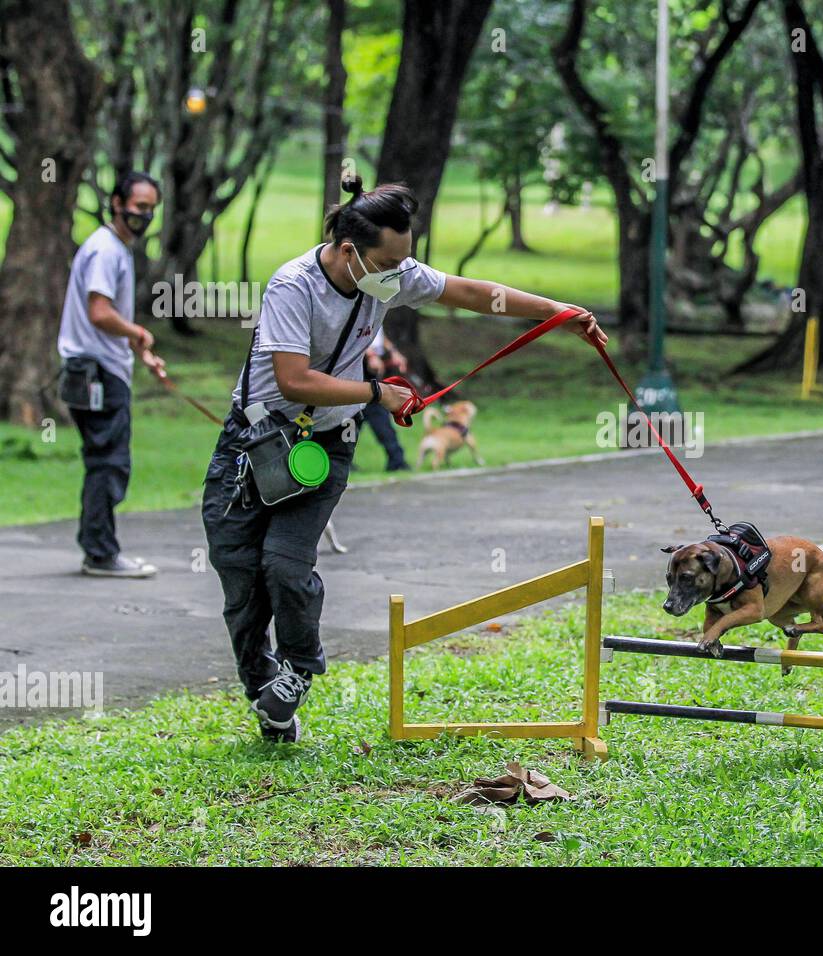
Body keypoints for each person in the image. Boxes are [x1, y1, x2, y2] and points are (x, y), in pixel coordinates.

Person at [201, 176, 606, 743]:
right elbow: (293, 379)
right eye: (390, 262)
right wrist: (375, 394)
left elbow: (470, 293)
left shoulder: (388, 273)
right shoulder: (292, 287)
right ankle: (266, 688)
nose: (401, 273)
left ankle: (297, 668)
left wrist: (557, 311)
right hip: (255, 443)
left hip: (322, 445)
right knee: (238, 572)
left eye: (405, 261)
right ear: (350, 252)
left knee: (286, 565)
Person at [57, 170, 166, 578]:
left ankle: (98, 547)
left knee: (105, 460)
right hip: (95, 373)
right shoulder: (105, 249)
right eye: (139, 207)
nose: (146, 215)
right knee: (109, 461)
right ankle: (101, 553)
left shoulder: (115, 247)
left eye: (152, 208)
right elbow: (99, 313)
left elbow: (105, 319)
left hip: (101, 367)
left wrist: (141, 351)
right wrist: (137, 331)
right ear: (117, 203)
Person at [358, 331, 412, 471]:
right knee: (350, 421)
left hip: (374, 370)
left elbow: (378, 335)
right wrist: (371, 355)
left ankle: (396, 460)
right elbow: (356, 335)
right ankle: (342, 461)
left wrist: (394, 352)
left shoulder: (377, 309)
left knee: (380, 419)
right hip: (359, 369)